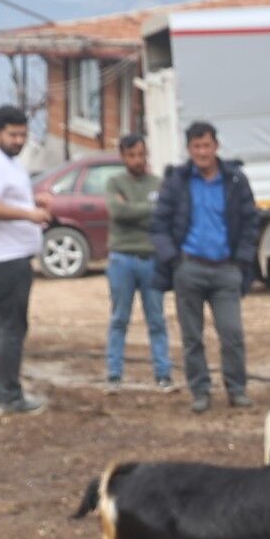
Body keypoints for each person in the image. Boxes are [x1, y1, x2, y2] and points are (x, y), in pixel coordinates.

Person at [156, 120, 260, 411]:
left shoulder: (235, 180)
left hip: (226, 269)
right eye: (196, 146)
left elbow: (251, 221)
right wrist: (173, 260)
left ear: (216, 146)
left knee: (232, 334)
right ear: (189, 149)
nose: (202, 152)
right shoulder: (177, 181)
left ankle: (237, 390)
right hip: (188, 269)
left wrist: (242, 260)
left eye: (207, 145)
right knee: (192, 338)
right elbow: (160, 223)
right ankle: (200, 392)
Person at [0, 104, 51, 416]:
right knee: (10, 328)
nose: (19, 141)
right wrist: (29, 213)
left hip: (2, 256)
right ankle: (10, 396)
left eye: (23, 135)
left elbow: (4, 197)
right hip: (4, 259)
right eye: (13, 135)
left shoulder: (7, 161)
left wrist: (33, 200)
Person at [100, 133, 171, 388]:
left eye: (141, 154)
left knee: (157, 320)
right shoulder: (114, 182)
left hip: (151, 260)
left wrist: (133, 209)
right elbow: (117, 212)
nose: (137, 160)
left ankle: (163, 374)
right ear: (123, 157)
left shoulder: (158, 183)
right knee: (119, 318)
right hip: (122, 259)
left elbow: (163, 215)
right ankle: (114, 375)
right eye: (131, 155)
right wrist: (146, 209)